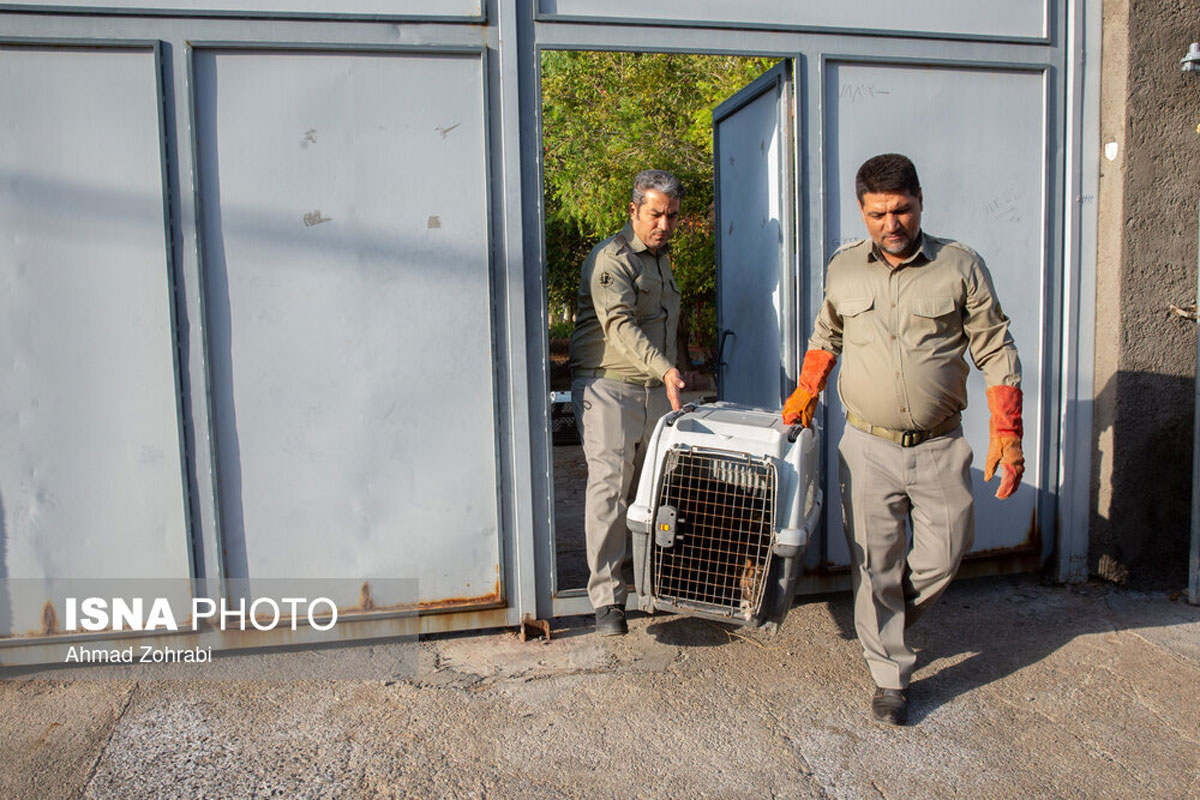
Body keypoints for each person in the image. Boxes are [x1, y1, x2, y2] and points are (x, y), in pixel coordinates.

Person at [782, 153, 1024, 725]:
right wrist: (806, 392)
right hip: (867, 447)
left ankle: (880, 620)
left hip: (941, 444)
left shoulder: (959, 265)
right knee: (874, 563)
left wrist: (1008, 431)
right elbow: (826, 334)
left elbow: (995, 348)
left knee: (947, 551)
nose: (891, 224)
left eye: (901, 210)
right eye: (877, 214)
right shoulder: (844, 269)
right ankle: (889, 673)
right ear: (861, 210)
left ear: (920, 201)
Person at [569, 169, 687, 636]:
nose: (664, 224)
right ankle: (607, 601)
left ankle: (647, 583)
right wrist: (666, 368)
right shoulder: (611, 259)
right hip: (609, 389)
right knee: (610, 492)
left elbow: (666, 323)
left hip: (655, 389)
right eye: (655, 214)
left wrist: (673, 373)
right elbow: (619, 324)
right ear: (634, 210)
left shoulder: (661, 260)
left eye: (671, 216)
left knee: (650, 491)